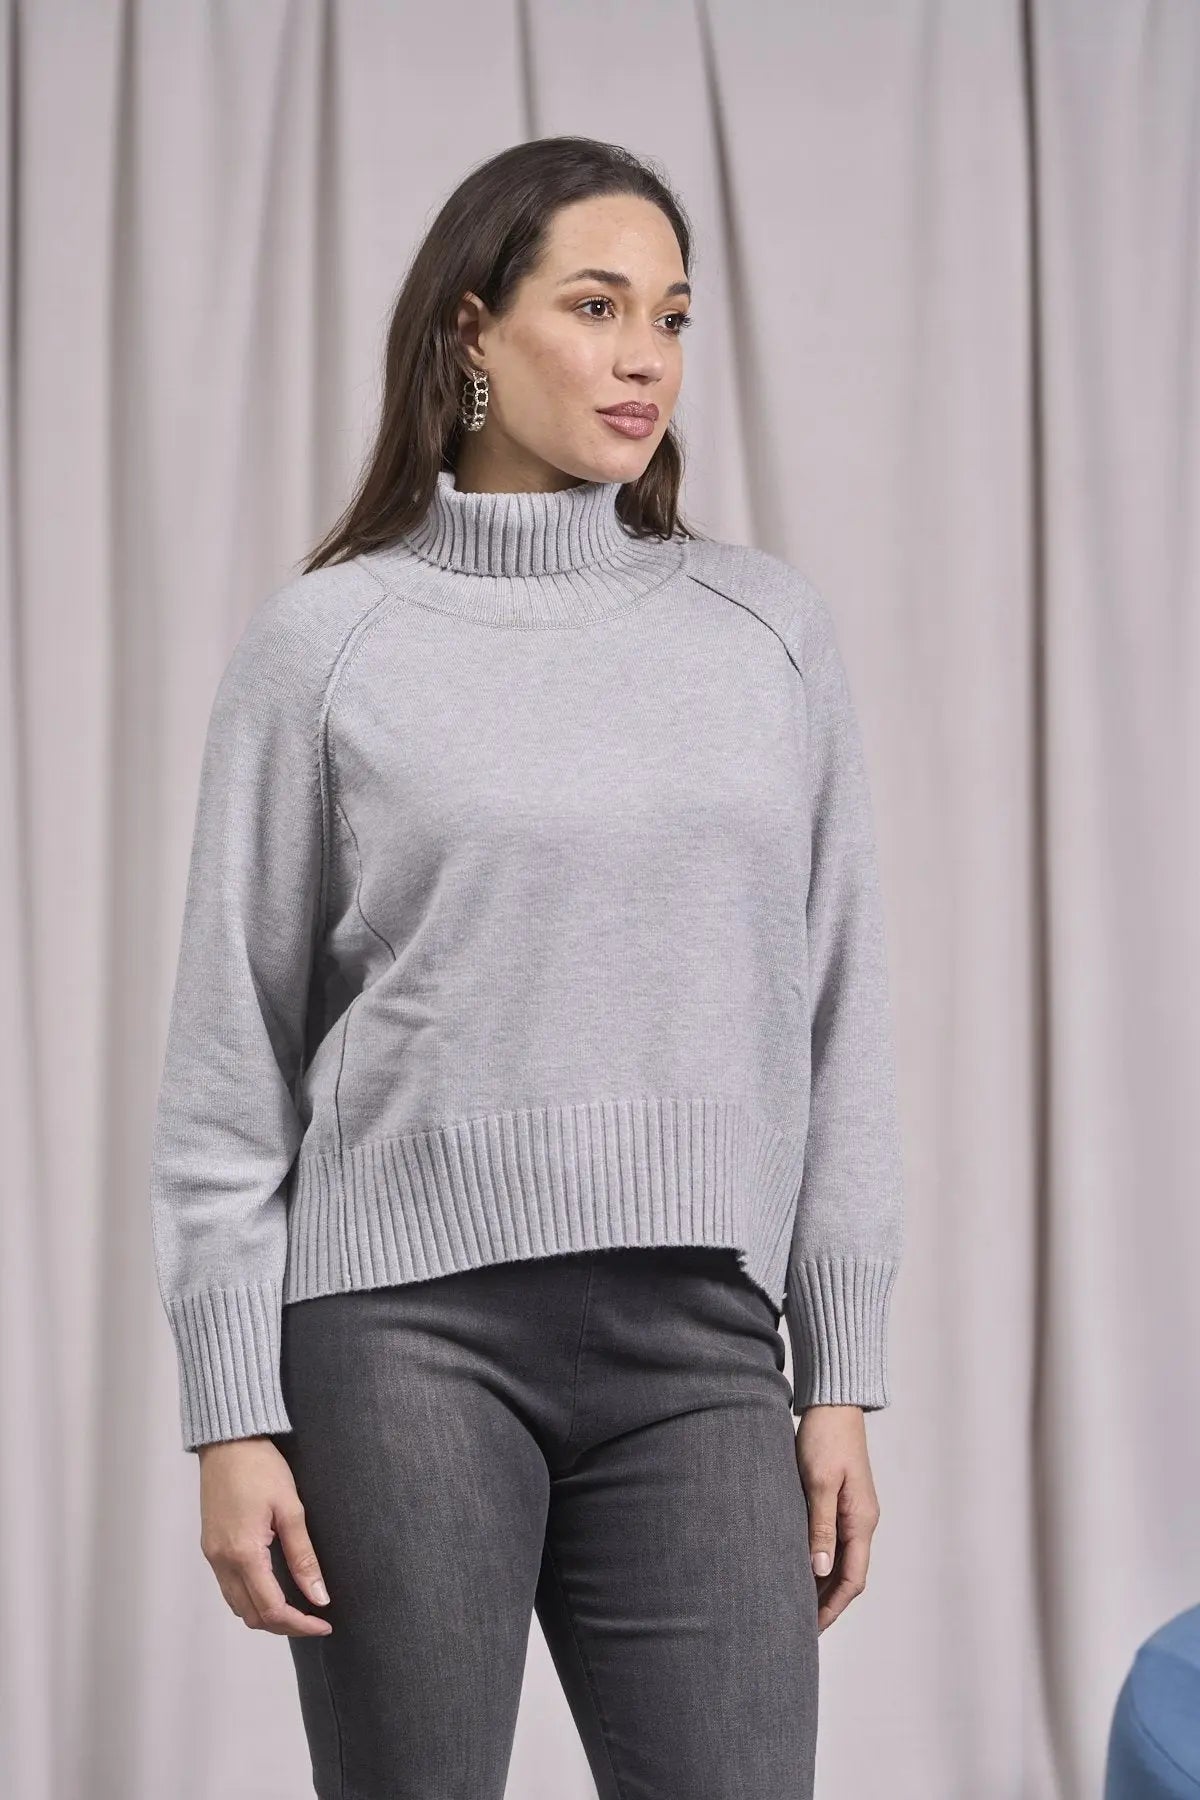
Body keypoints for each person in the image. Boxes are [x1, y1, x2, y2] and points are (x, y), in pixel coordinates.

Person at [149, 134, 906, 1800]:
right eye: (597, 304)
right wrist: (229, 1412)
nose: (646, 357)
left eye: (673, 316)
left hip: (701, 1339)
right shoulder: (326, 642)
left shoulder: (765, 632)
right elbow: (229, 1057)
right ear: (473, 330)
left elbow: (840, 1016)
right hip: (398, 1343)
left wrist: (841, 1374)